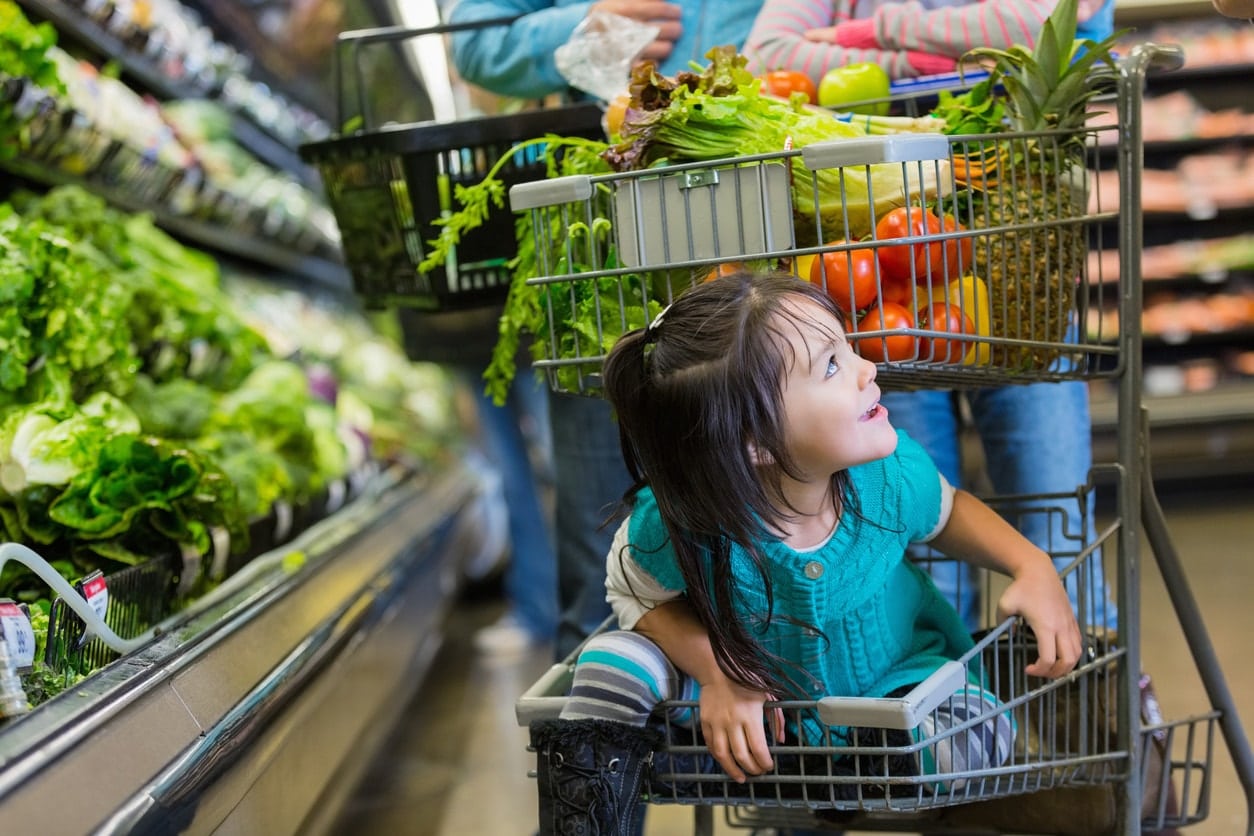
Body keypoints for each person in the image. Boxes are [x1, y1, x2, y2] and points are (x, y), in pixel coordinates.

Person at [528, 271, 1082, 834]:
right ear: (757, 443)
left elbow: (947, 512)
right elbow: (630, 591)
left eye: (846, 347)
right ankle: (585, 823)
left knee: (981, 726)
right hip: (749, 721)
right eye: (833, 366)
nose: (869, 368)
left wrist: (1030, 564)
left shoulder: (884, 479)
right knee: (614, 661)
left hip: (896, 685)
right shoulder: (682, 518)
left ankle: (865, 770)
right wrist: (719, 672)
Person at [742, 0, 1119, 635]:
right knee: (910, 529)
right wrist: (934, 60)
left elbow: (1035, 24)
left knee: (1057, 524)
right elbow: (771, 52)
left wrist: (860, 35)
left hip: (1019, 269)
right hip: (887, 279)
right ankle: (954, 715)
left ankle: (1082, 709)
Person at [446, 0, 768, 660]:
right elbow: (475, 39)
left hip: (764, 219)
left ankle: (778, 721)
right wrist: (581, 28)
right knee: (605, 538)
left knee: (774, 527)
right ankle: (607, 744)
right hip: (607, 244)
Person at [742, 0, 1116, 81]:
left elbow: (1043, 22)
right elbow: (767, 55)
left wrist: (871, 32)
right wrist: (917, 66)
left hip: (994, 175)